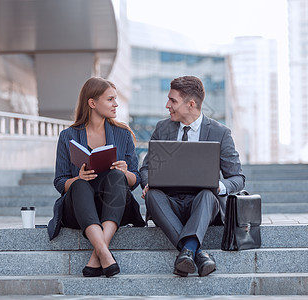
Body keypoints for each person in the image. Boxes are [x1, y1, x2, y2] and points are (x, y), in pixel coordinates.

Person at [140, 76, 245, 277]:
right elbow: (145, 169)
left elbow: (238, 178)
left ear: (191, 104)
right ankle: (195, 253)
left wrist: (219, 186)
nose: (167, 105)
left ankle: (188, 251)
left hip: (202, 206)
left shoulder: (219, 132)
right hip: (168, 204)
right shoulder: (162, 128)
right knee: (153, 195)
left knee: (207, 194)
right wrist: (147, 183)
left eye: (173, 101)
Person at [47, 77, 144, 278]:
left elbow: (136, 179)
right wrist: (78, 178)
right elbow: (60, 181)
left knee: (118, 177)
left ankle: (98, 254)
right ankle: (104, 253)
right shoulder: (69, 136)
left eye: (115, 99)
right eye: (110, 99)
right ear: (92, 103)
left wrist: (125, 172)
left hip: (113, 205)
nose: (116, 104)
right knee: (80, 185)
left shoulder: (123, 134)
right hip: (80, 208)